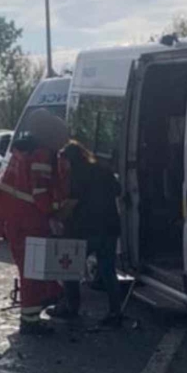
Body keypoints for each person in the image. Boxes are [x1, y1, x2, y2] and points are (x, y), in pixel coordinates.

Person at [0, 109, 69, 335]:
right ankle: (30, 321)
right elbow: (40, 194)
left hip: (17, 222)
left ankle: (37, 308)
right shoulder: (41, 156)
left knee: (30, 270)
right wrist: (60, 209)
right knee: (32, 273)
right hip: (30, 222)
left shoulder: (21, 151)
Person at [48, 141, 124, 329]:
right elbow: (118, 190)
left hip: (85, 230)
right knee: (108, 271)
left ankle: (71, 307)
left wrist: (55, 217)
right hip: (109, 227)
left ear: (69, 159)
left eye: (63, 160)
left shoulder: (77, 174)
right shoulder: (103, 169)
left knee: (69, 267)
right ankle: (116, 312)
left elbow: (72, 203)